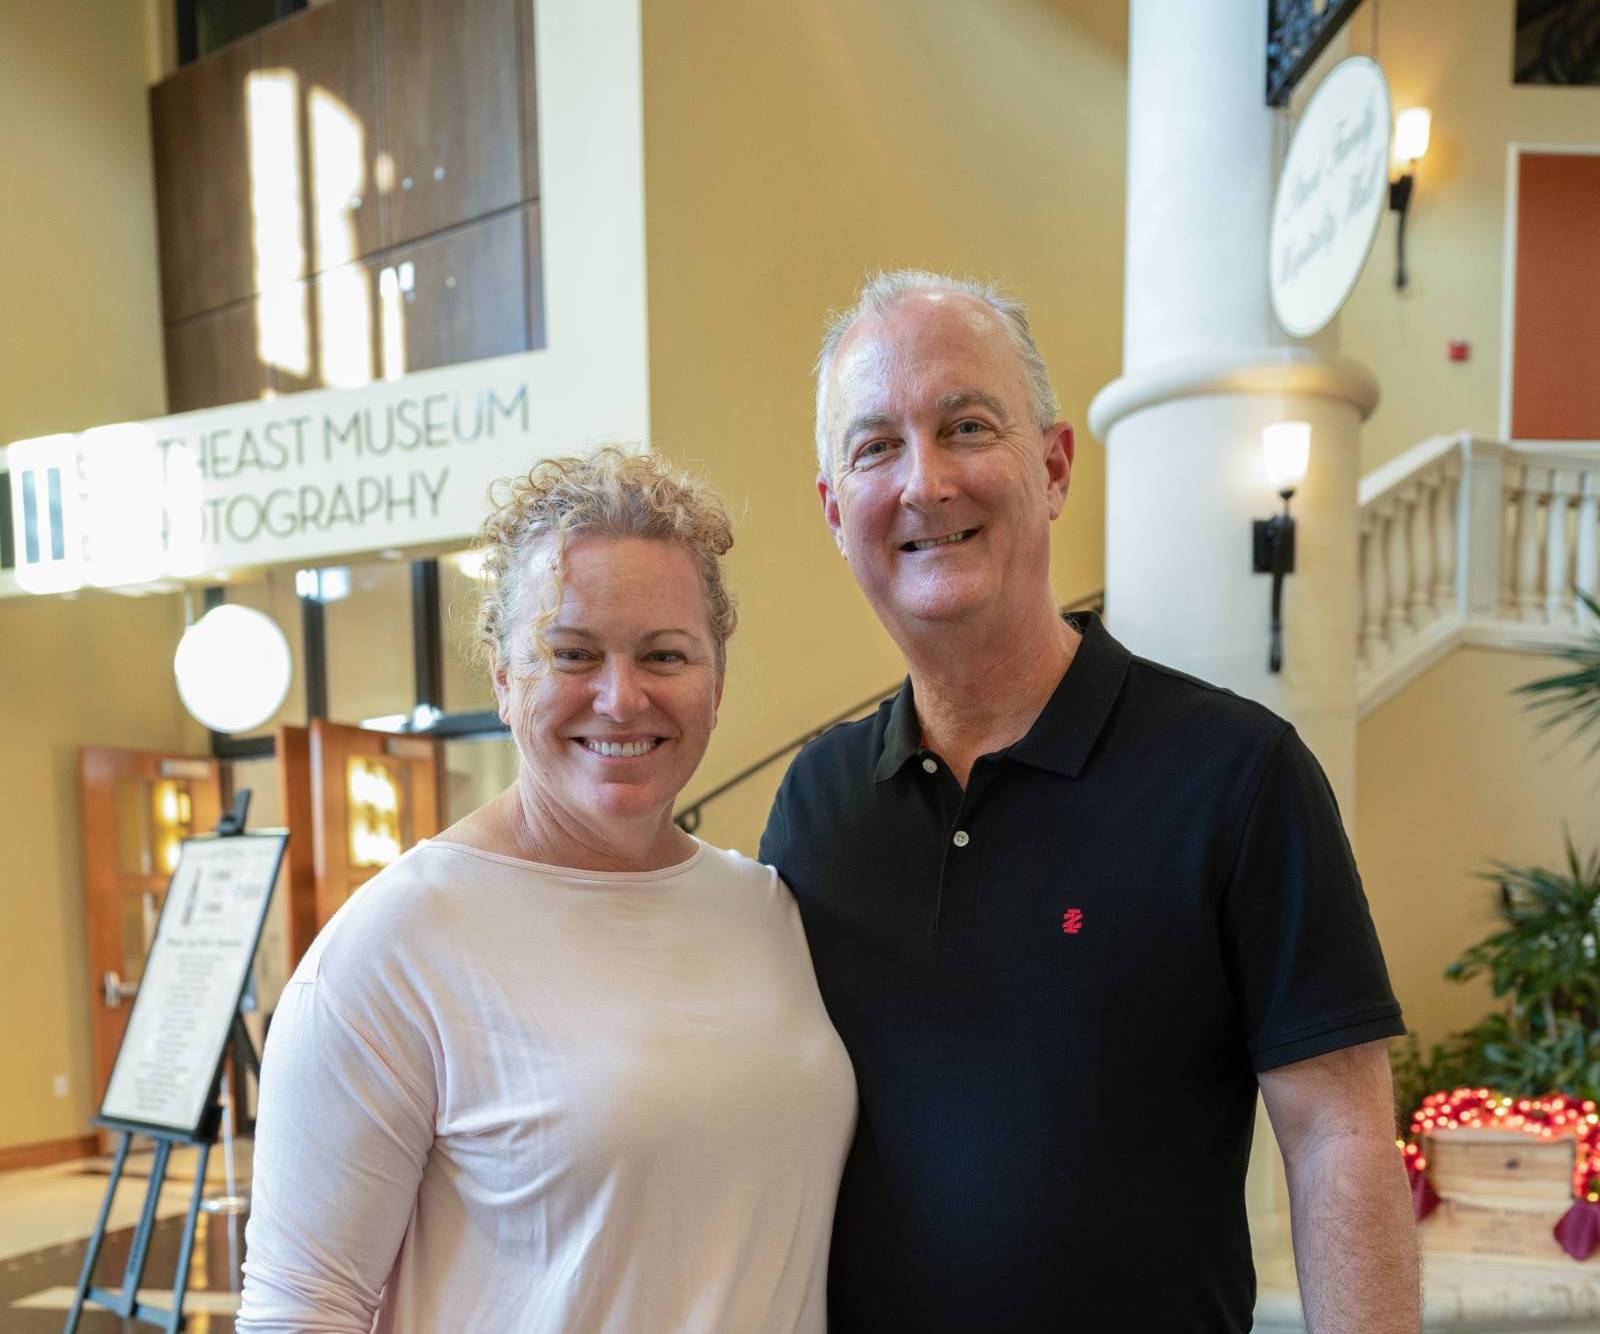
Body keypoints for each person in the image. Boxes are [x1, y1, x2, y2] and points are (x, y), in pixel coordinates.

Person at [760, 270, 1420, 1333]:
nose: (924, 481)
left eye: (965, 424)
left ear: (1054, 466)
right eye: (875, 445)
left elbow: (1336, 1131)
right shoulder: (815, 805)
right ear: (838, 512)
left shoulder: (1237, 776)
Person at [238, 448, 856, 1334]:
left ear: (714, 679)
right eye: (571, 653)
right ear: (502, 675)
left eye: (664, 654)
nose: (620, 696)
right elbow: (299, 1311)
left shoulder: (766, 910)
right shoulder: (395, 947)